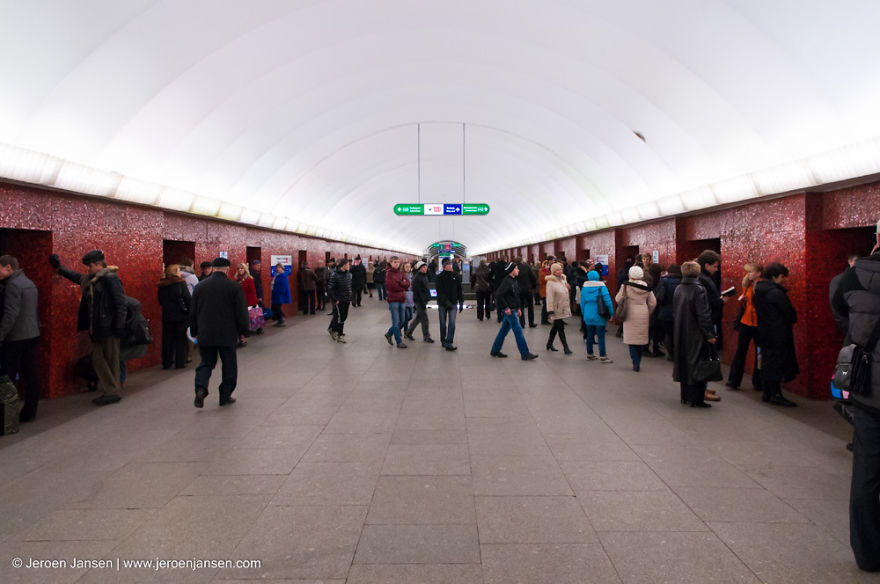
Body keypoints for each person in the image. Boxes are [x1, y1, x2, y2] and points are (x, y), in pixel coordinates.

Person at [831, 220, 880, 572]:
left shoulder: (851, 277)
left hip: (868, 389)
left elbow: (841, 319)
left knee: (865, 471)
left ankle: (867, 553)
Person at [51, 250, 126, 406]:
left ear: (99, 264)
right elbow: (77, 277)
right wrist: (60, 268)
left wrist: (119, 326)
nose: (88, 269)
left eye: (90, 266)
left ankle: (112, 391)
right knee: (103, 359)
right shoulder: (92, 280)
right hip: (97, 327)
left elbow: (120, 304)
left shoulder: (110, 279)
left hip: (108, 327)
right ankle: (112, 390)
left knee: (106, 359)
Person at [190, 257, 249, 408]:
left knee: (206, 363)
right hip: (227, 333)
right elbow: (241, 312)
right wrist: (244, 332)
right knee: (229, 364)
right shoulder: (233, 287)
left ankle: (201, 388)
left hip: (205, 333)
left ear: (213, 268)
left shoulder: (200, 287)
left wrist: (195, 331)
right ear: (227, 269)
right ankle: (225, 395)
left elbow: (193, 312)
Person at [0, 255, 41, 421]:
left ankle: (7, 416)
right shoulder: (29, 283)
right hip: (32, 334)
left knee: (8, 377)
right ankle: (30, 412)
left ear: (8, 267)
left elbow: (10, 315)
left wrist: (0, 335)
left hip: (16, 337)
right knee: (31, 375)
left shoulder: (12, 286)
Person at [672, 261, 717, 408]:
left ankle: (685, 396)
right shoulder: (699, 290)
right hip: (696, 332)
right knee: (697, 364)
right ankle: (696, 398)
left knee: (684, 363)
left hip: (681, 330)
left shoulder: (679, 288)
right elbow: (703, 314)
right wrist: (709, 334)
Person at [753, 262, 798, 407]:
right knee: (777, 363)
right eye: (782, 277)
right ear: (774, 276)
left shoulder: (758, 290)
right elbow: (790, 313)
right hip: (778, 332)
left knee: (767, 361)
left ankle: (767, 392)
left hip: (764, 330)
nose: (783, 280)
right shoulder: (775, 293)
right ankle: (775, 394)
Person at [490, 262, 538, 360]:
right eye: (516, 269)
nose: (518, 270)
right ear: (511, 271)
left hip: (513, 309)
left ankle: (495, 350)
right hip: (510, 311)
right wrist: (506, 308)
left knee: (503, 331)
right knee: (518, 331)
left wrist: (519, 308)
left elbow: (516, 296)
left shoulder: (514, 281)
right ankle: (525, 353)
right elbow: (499, 295)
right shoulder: (507, 281)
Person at [726, 263, 763, 390]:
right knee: (740, 352)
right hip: (746, 322)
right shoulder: (747, 285)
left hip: (758, 324)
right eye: (747, 272)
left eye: (751, 272)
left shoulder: (762, 286)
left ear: (759, 273)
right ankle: (733, 381)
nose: (748, 274)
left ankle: (758, 382)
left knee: (759, 354)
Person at [615, 265, 656, 372]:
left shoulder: (626, 286)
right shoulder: (646, 287)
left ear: (630, 275)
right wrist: (648, 312)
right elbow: (653, 302)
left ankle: (635, 362)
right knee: (640, 339)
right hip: (643, 312)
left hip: (629, 313)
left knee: (632, 340)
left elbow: (618, 299)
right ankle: (638, 360)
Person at [156, 263, 191, 369]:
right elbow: (187, 299)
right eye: (179, 271)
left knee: (167, 340)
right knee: (180, 339)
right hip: (180, 315)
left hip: (167, 315)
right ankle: (180, 362)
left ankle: (167, 362)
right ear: (175, 272)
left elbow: (160, 300)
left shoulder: (162, 285)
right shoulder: (181, 283)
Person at [580, 269, 614, 363]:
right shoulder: (602, 287)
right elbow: (607, 301)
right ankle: (603, 356)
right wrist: (611, 313)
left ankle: (590, 354)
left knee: (589, 335)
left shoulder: (584, 287)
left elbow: (582, 303)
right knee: (601, 336)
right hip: (600, 313)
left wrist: (584, 314)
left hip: (588, 313)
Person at [381, 256, 410, 349]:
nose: (397, 263)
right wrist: (402, 284)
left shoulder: (401, 273)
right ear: (391, 263)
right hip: (393, 300)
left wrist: (401, 283)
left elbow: (408, 284)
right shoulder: (389, 273)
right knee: (396, 321)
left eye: (398, 262)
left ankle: (389, 333)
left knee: (402, 320)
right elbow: (392, 286)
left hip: (402, 299)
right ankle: (399, 341)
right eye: (394, 262)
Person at [655, 264, 682, 362]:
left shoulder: (664, 281)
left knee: (668, 333)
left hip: (665, 312)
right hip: (679, 313)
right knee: (677, 334)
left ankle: (671, 354)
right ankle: (678, 353)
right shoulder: (682, 281)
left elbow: (658, 298)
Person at [544, 262, 573, 354]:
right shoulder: (550, 282)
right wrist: (550, 310)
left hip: (563, 306)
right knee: (560, 328)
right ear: (553, 272)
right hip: (556, 308)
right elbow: (549, 297)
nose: (559, 271)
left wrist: (568, 288)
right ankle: (566, 347)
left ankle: (549, 343)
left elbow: (564, 291)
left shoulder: (563, 279)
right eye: (557, 270)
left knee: (556, 327)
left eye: (560, 269)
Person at [436, 258, 463, 351]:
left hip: (453, 303)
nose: (450, 265)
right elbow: (440, 292)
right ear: (444, 266)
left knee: (452, 323)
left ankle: (449, 342)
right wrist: (446, 302)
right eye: (448, 264)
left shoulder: (455, 276)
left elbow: (459, 290)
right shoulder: (439, 277)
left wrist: (461, 301)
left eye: (451, 264)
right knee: (443, 323)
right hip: (442, 304)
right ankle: (443, 340)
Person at [405, 261, 434, 343]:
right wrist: (422, 303)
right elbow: (418, 292)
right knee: (425, 320)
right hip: (420, 301)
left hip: (423, 300)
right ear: (420, 268)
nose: (426, 268)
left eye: (426, 267)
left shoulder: (424, 276)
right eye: (424, 267)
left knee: (418, 318)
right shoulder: (417, 278)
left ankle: (408, 332)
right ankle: (426, 336)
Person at [327, 258, 351, 342]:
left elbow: (348, 286)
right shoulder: (335, 274)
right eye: (348, 264)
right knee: (340, 317)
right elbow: (330, 288)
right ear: (343, 265)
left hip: (346, 299)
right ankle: (339, 335)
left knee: (344, 316)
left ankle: (334, 330)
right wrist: (335, 299)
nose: (349, 266)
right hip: (339, 300)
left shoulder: (348, 274)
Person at [235, 262, 260, 341]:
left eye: (242, 268)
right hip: (239, 302)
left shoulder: (249, 279)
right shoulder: (237, 279)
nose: (240, 270)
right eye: (238, 269)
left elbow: (252, 292)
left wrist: (253, 303)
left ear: (245, 269)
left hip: (247, 302)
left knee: (246, 320)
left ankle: (244, 337)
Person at [516, 257, 538, 328]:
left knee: (521, 307)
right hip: (528, 289)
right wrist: (533, 287)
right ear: (522, 261)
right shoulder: (527, 267)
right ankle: (531, 323)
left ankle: (522, 323)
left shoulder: (515, 268)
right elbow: (533, 277)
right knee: (530, 306)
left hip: (519, 290)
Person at [401, 260, 415, 334]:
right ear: (403, 267)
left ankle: (398, 328)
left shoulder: (411, 275)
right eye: (406, 267)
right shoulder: (401, 276)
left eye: (409, 267)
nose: (408, 268)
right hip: (404, 298)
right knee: (407, 317)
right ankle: (406, 331)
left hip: (410, 297)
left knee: (410, 316)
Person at [538, 259, 552, 324]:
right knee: (545, 305)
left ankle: (545, 318)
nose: (548, 266)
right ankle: (544, 320)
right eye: (546, 265)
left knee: (546, 305)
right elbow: (544, 280)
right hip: (544, 290)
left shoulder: (547, 272)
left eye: (548, 265)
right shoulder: (542, 271)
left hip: (547, 289)